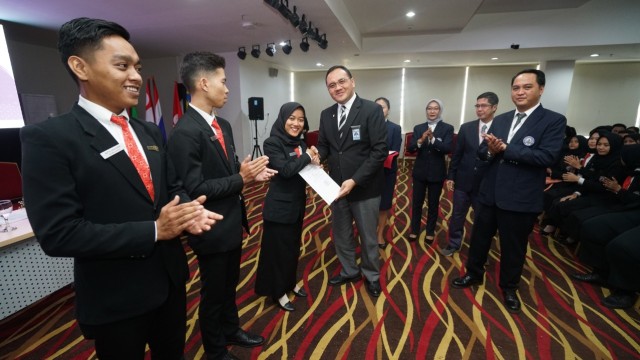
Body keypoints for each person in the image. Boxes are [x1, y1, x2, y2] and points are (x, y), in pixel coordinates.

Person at [20, 18, 222, 359]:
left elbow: (172, 187)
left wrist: (190, 211)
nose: (136, 76)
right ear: (80, 66)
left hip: (169, 283)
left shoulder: (147, 131)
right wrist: (154, 231)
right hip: (116, 296)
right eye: (122, 65)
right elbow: (59, 234)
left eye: (138, 67)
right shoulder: (49, 139)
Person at [167, 52, 271, 360]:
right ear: (202, 83)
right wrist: (241, 179)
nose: (227, 89)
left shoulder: (221, 124)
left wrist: (250, 173)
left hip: (231, 221)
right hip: (209, 225)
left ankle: (231, 329)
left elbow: (230, 168)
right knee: (212, 293)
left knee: (229, 285)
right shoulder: (184, 133)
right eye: (223, 82)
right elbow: (194, 188)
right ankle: (215, 349)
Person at [451, 69, 566, 314]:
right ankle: (473, 273)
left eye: (527, 87)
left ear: (541, 89)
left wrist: (505, 148)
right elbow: (483, 153)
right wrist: (492, 150)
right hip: (489, 192)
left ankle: (510, 287)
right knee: (479, 238)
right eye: (516, 88)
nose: (520, 92)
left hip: (520, 197)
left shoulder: (553, 121)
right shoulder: (501, 119)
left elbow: (547, 156)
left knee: (513, 246)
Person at [316, 65, 388, 298]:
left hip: (364, 187)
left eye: (341, 82)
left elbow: (379, 151)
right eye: (331, 85)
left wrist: (355, 180)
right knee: (341, 233)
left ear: (352, 81)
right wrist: (317, 156)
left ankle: (372, 275)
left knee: (368, 237)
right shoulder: (326, 114)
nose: (337, 88)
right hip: (336, 188)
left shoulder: (371, 110)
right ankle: (349, 270)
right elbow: (327, 147)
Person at [255, 102, 319, 312]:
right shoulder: (272, 143)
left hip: (297, 205)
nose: (296, 123)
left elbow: (301, 170)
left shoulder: (300, 144)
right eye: (292, 118)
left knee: (292, 248)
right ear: (283, 119)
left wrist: (314, 167)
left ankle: (290, 283)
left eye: (301, 119)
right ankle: (278, 291)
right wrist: (308, 157)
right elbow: (286, 170)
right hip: (279, 208)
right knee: (277, 251)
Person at [440, 92, 498, 256]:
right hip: (463, 179)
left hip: (486, 183)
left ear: (494, 107)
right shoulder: (467, 127)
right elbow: (457, 154)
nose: (479, 109)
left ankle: (479, 250)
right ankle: (453, 243)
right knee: (457, 215)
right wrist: (451, 175)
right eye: (477, 106)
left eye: (484, 106)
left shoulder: (501, 127)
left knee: (482, 219)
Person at [408, 99, 454, 243]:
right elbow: (410, 148)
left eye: (435, 108)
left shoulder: (447, 128)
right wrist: (421, 140)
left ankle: (429, 231)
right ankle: (414, 230)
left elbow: (447, 149)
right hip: (420, 172)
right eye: (429, 108)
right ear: (426, 110)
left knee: (433, 204)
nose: (432, 111)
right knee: (416, 203)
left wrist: (433, 139)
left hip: (437, 172)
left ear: (440, 110)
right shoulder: (418, 127)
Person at [375, 97, 402, 249]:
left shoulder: (395, 128)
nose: (379, 110)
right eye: (376, 107)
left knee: (384, 205)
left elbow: (396, 151)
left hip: (387, 171)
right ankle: (370, 232)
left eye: (383, 107)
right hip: (369, 173)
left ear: (388, 110)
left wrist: (378, 156)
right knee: (370, 204)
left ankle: (380, 234)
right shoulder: (367, 126)